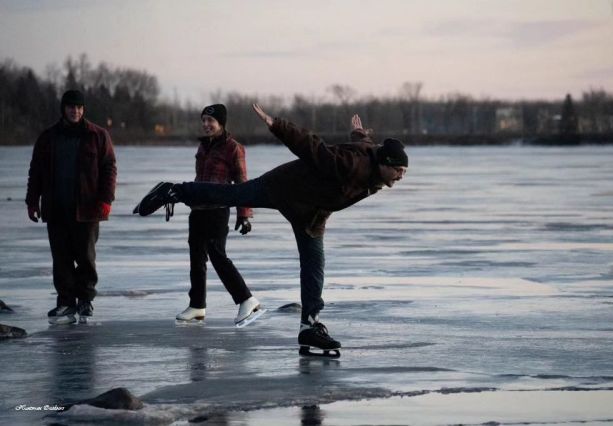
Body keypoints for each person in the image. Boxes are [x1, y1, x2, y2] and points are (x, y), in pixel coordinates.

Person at [134, 104, 408, 357]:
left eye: (403, 171)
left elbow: (365, 145)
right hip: (283, 187)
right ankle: (174, 191)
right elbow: (312, 147)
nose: (400, 176)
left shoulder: (374, 163)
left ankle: (309, 327)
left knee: (314, 265)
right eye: (398, 170)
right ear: (384, 164)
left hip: (310, 213)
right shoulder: (353, 165)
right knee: (232, 195)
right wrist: (277, 125)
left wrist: (359, 134)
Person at [26, 89, 117, 325]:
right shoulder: (48, 137)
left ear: (83, 110)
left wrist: (106, 200)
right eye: (70, 107)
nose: (75, 111)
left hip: (87, 209)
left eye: (78, 107)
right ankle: (66, 303)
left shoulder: (98, 135)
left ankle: (85, 300)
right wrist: (32, 201)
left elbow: (109, 168)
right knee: (61, 259)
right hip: (56, 208)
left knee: (86, 257)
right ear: (63, 109)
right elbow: (35, 171)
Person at [175, 104, 263, 326]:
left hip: (218, 210)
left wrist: (244, 214)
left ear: (221, 123)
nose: (206, 124)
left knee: (217, 256)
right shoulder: (203, 146)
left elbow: (242, 183)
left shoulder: (233, 148)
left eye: (210, 121)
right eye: (203, 120)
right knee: (196, 258)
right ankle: (197, 305)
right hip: (198, 210)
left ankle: (247, 299)